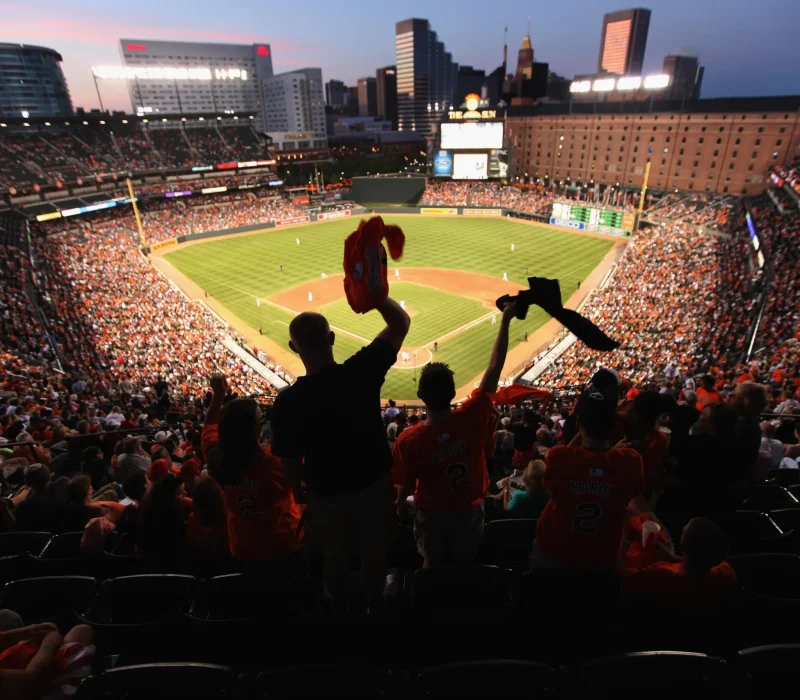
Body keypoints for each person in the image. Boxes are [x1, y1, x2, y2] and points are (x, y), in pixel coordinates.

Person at [271, 296, 410, 612]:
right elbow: (400, 323)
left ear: (294, 348)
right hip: (374, 488)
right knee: (375, 556)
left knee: (334, 559)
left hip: (326, 494)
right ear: (331, 339)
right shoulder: (361, 371)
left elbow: (289, 465)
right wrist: (375, 295)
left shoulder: (288, 402)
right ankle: (375, 608)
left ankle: (341, 614)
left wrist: (299, 490)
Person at [393, 302, 516, 568]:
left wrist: (402, 503)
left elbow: (402, 491)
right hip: (469, 510)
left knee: (431, 563)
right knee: (466, 563)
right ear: (453, 394)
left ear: (420, 397)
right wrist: (505, 319)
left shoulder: (408, 440)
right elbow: (494, 369)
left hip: (431, 514)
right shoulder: (472, 416)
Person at [531, 386, 645, 571]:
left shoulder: (559, 456)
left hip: (555, 550)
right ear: (614, 425)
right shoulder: (630, 460)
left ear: (579, 423)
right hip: (601, 556)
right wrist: (612, 453)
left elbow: (553, 481)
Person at [203, 374, 304, 563]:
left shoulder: (216, 459)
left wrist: (218, 397)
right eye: (261, 419)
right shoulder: (276, 464)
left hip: (242, 549)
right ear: (254, 429)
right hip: (285, 548)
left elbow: (208, 429)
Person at [622, 517, 737, 609]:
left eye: (683, 532)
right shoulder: (726, 573)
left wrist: (621, 549)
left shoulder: (660, 576)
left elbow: (622, 579)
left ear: (683, 547)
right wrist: (673, 557)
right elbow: (699, 563)